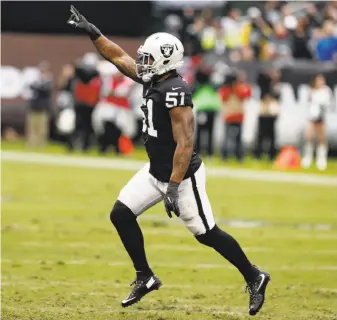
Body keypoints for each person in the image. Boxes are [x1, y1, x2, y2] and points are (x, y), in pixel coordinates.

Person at [67, 6, 271, 316]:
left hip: (183, 176)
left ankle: (254, 276)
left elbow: (185, 144)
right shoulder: (152, 78)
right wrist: (92, 31)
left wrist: (173, 187)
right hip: (156, 171)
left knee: (207, 234)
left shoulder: (175, 90)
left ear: (165, 61)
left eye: (148, 58)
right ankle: (145, 276)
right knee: (121, 214)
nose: (142, 62)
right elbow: (118, 57)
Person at [302, 74, 333, 171]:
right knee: (309, 137)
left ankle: (321, 160)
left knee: (322, 138)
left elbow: (327, 103)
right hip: (312, 117)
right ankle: (308, 158)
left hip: (321, 117)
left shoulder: (326, 91)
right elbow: (308, 104)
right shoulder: (311, 91)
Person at [26, 61, 53, 148]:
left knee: (42, 128)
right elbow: (31, 87)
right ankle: (32, 143)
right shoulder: (36, 80)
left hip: (42, 108)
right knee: (32, 127)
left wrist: (39, 86)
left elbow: (45, 91)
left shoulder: (48, 81)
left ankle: (41, 143)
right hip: (34, 107)